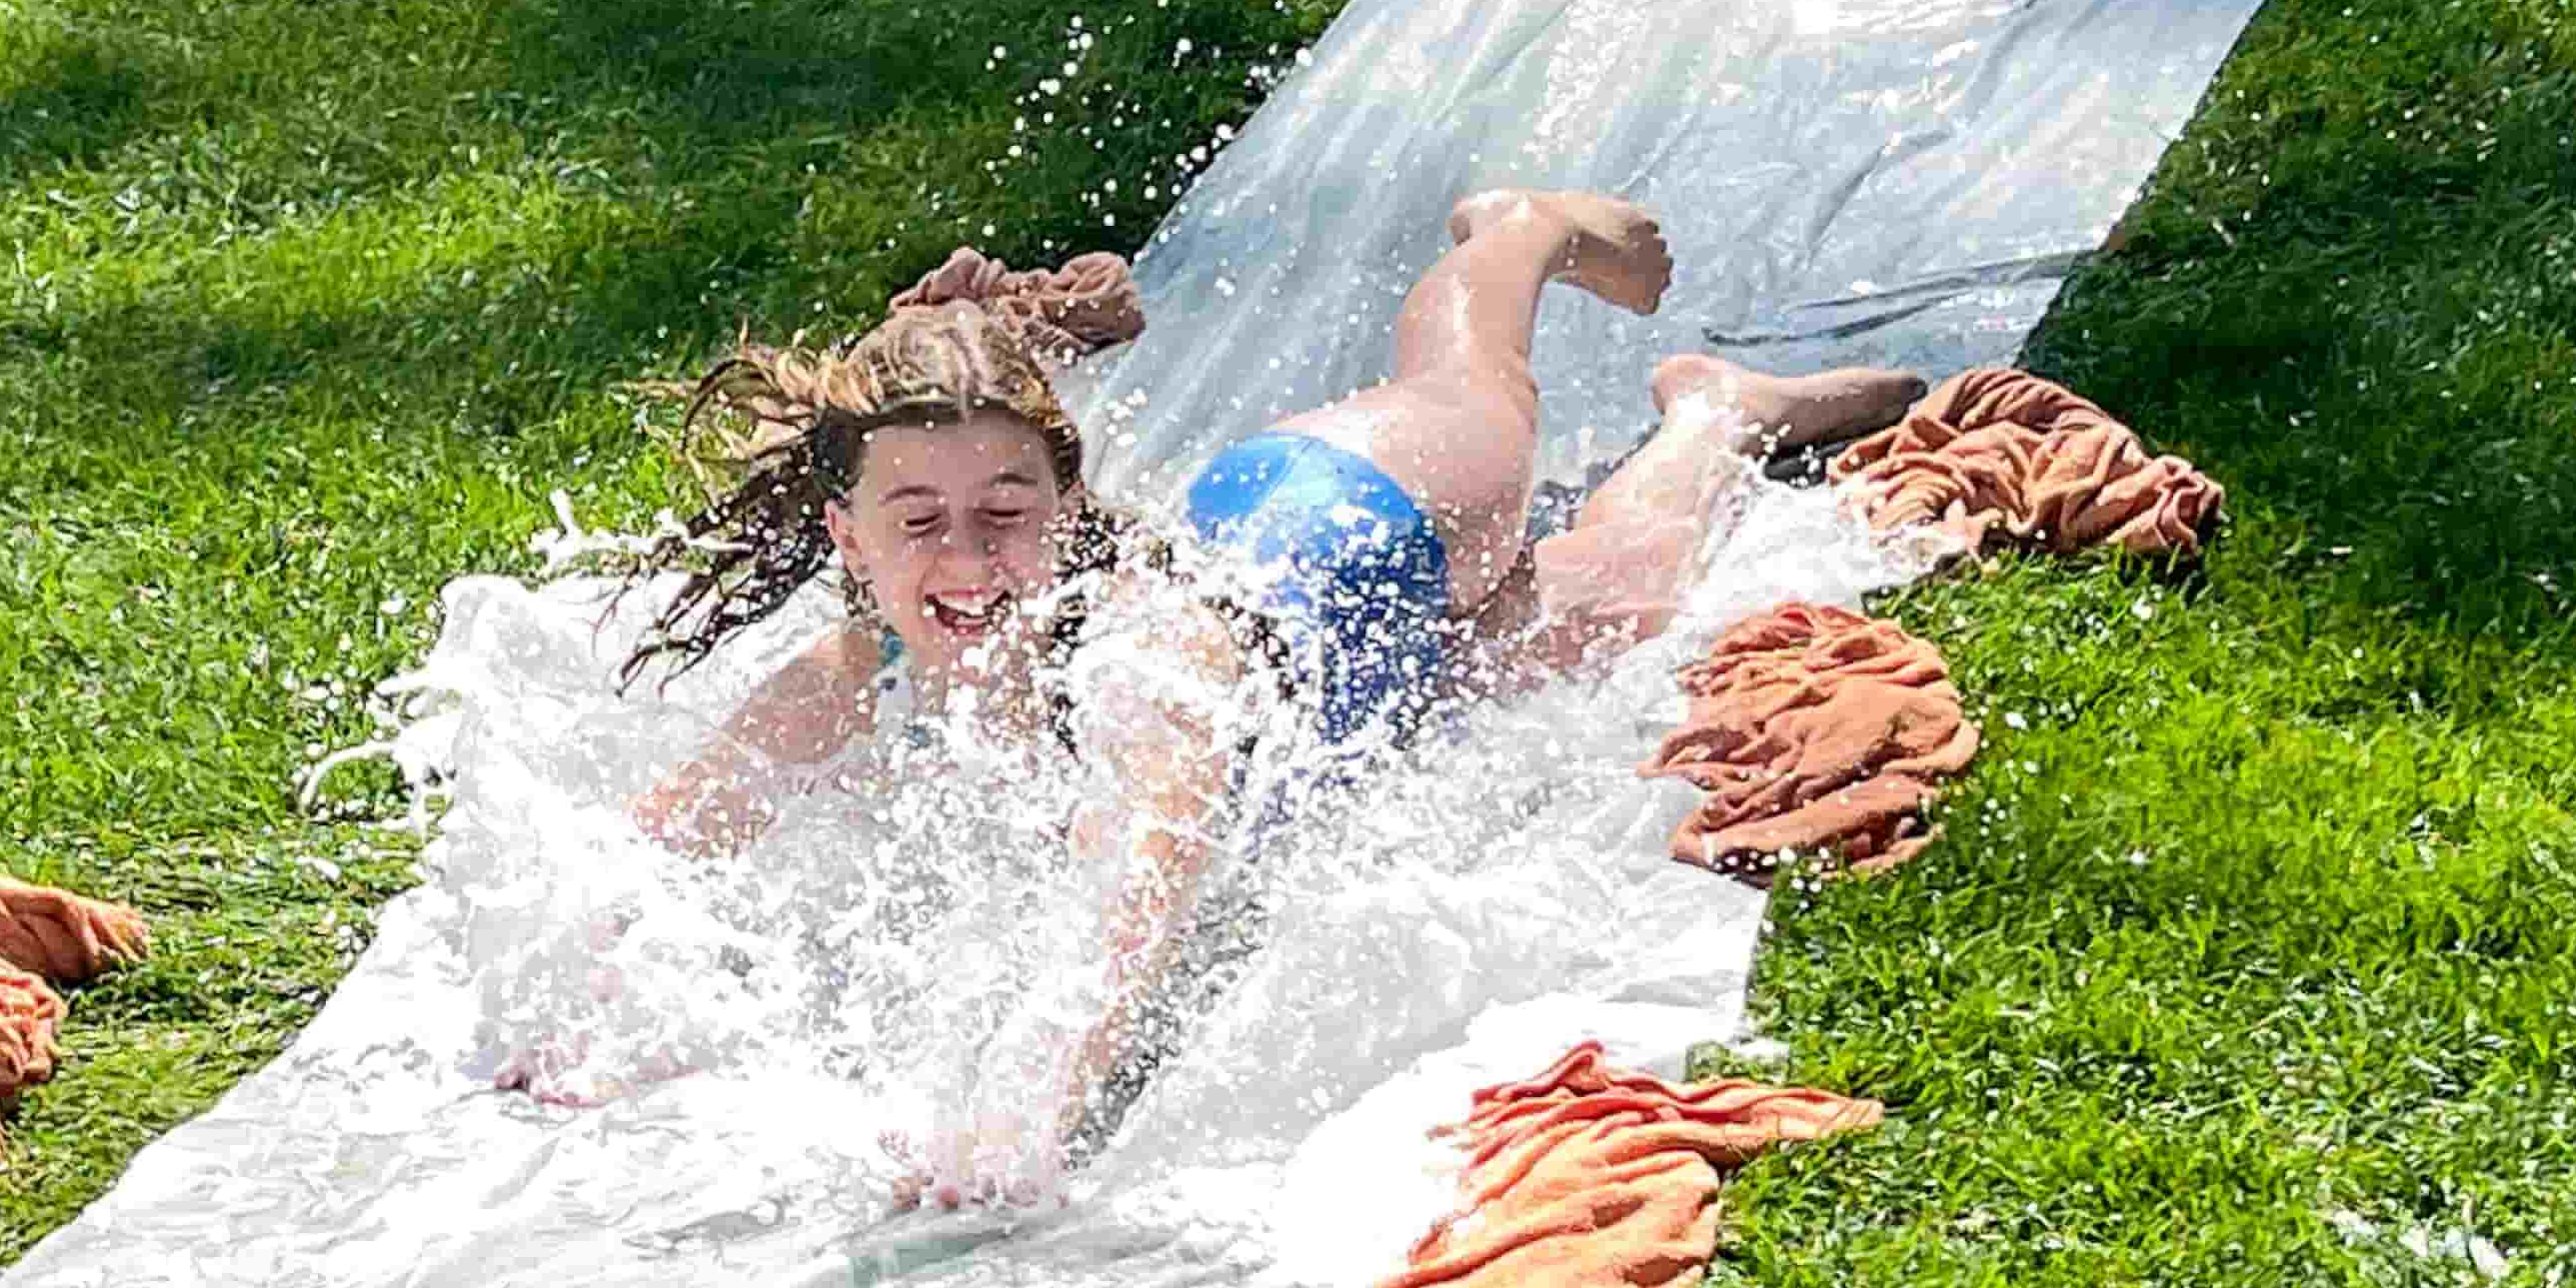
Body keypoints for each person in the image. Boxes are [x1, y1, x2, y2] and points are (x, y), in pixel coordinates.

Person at [609, 191, 1921, 1207]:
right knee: (1586, 600)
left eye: (1005, 513)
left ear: (1067, 513)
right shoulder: (853, 667)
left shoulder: (1145, 660)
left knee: (1484, 402)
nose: (964, 562)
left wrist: (1024, 1113)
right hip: (1353, 672)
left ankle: (1521, 228)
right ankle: (1718, 411)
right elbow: (654, 855)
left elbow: (1142, 893)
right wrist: (591, 998)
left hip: (1368, 517)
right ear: (850, 538)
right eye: (920, 521)